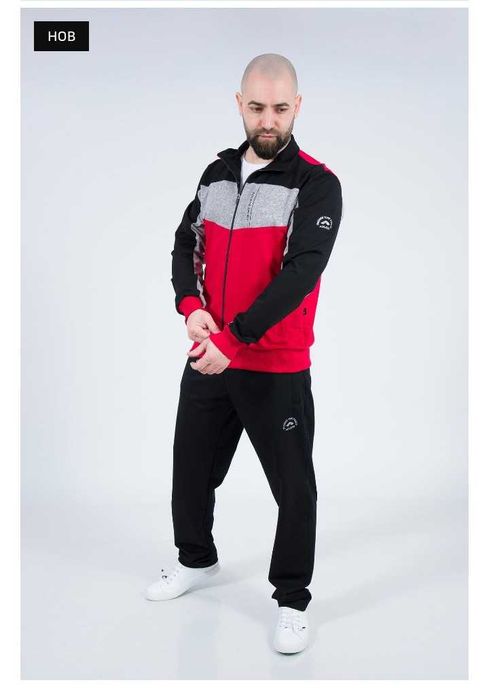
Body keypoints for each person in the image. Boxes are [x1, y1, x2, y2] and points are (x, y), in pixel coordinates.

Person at [144, 53, 343, 655]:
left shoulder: (316, 184)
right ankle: (196, 559)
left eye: (280, 108)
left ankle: (292, 600)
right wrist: (190, 306)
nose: (268, 120)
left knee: (293, 488)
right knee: (190, 469)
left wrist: (234, 341)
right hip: (211, 356)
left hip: (273, 364)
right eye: (257, 107)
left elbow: (300, 275)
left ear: (297, 106)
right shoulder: (216, 174)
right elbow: (185, 243)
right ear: (239, 104)